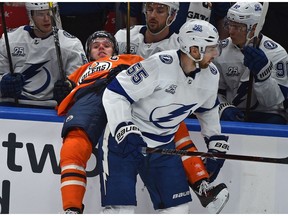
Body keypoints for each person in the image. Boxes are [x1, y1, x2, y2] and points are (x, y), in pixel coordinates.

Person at [99, 19, 230, 214]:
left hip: (163, 145)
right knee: (120, 211)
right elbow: (114, 93)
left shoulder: (211, 75)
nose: (216, 53)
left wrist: (214, 143)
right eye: (211, 48)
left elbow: (208, 110)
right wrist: (125, 129)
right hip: (126, 142)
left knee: (177, 209)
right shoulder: (159, 65)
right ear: (195, 50)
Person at [55, 30, 144, 213]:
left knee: (120, 150)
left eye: (106, 45)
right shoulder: (82, 70)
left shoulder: (131, 59)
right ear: (89, 54)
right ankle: (72, 209)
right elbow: (66, 90)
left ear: (115, 50)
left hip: (123, 95)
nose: (101, 47)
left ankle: (198, 180)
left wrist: (127, 74)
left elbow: (152, 78)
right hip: (90, 96)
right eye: (95, 46)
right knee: (72, 147)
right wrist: (61, 89)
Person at [0, 2, 87, 108]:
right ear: (30, 15)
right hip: (13, 105)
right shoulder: (9, 39)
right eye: (40, 14)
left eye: (50, 13)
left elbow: (81, 82)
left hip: (51, 106)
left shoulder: (70, 44)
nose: (47, 19)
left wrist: (69, 87)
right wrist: (4, 82)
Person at [214, 2, 288, 124]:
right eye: (229, 24)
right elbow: (212, 90)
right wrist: (223, 107)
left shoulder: (277, 54)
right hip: (232, 110)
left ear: (254, 28)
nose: (231, 32)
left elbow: (274, 102)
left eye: (238, 27)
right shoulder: (220, 50)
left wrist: (263, 78)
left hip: (265, 114)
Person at [117, 2, 231, 39]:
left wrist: (221, 52)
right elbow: (131, 14)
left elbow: (223, 17)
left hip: (199, 49)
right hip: (152, 46)